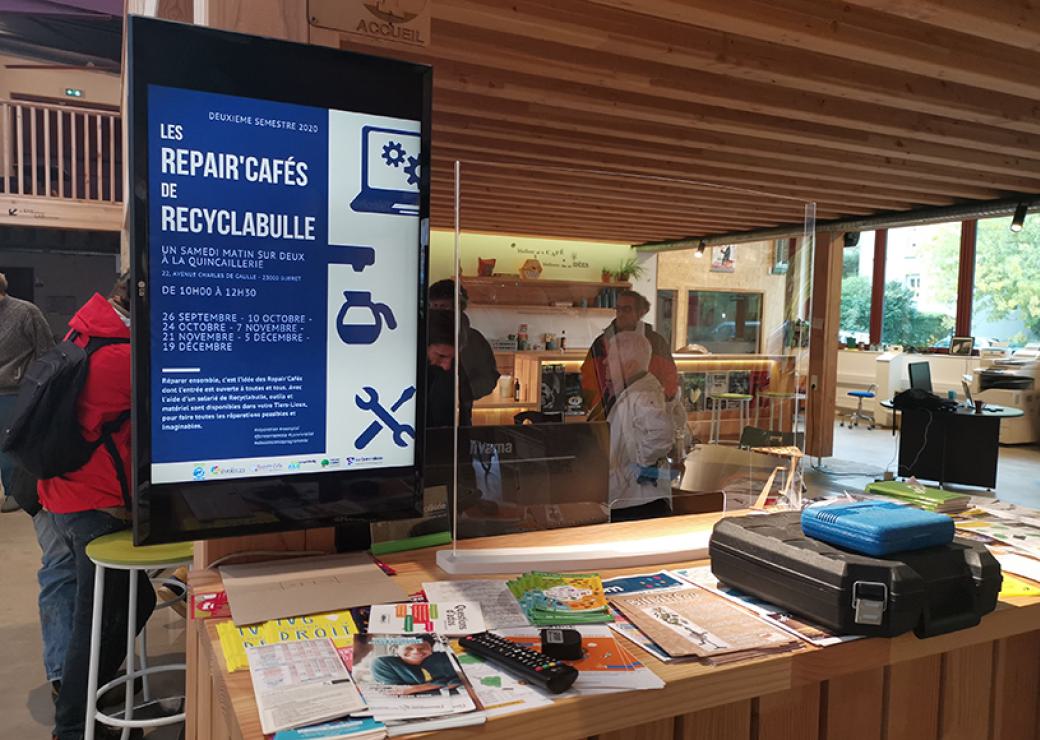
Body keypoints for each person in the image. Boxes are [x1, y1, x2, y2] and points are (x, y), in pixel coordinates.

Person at [40, 274, 156, 740]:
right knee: (105, 619)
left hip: (63, 493)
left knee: (119, 606)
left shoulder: (87, 330)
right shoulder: (121, 358)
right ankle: (73, 724)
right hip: (91, 503)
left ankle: (84, 695)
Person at [605, 331, 685, 522]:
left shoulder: (642, 393)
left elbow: (661, 435)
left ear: (629, 365)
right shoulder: (635, 389)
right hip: (633, 498)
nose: (604, 363)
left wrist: (640, 467)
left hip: (640, 503)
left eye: (611, 358)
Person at [0, 271, 55, 512]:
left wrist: (40, 387)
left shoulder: (26, 312)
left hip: (15, 391)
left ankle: (17, 493)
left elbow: (46, 351)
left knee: (11, 446)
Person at [581, 289, 678, 421]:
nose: (620, 314)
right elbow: (588, 378)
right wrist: (604, 408)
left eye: (626, 309)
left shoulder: (656, 343)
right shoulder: (601, 343)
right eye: (618, 309)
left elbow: (670, 378)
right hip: (611, 415)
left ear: (639, 313)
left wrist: (658, 406)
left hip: (647, 415)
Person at [428, 279, 500, 401]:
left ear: (458, 308)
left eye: (444, 307)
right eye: (434, 307)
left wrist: (459, 393)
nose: (438, 312)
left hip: (459, 411)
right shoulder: (419, 335)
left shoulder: (474, 340)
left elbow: (488, 378)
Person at [425, 309, 473, 428]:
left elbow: (465, 409)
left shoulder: (455, 367)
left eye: (453, 358)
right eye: (441, 355)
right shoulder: (407, 370)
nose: (447, 366)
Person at [370, 635, 462, 695]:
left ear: (431, 649)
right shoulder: (383, 663)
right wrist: (439, 684)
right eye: (408, 648)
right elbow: (394, 691)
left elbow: (461, 680)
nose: (416, 651)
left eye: (423, 647)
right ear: (396, 650)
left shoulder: (446, 658)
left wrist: (413, 688)